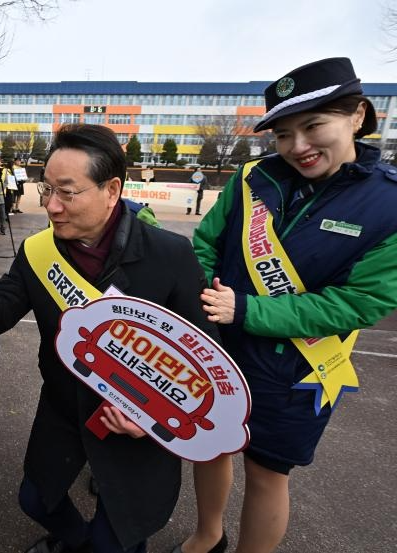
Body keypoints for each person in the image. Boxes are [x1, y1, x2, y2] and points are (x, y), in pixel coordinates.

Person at [179, 57, 397, 553]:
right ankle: (206, 535)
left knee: (266, 472)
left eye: (313, 126)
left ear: (357, 115)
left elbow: (360, 303)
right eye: (283, 134)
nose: (298, 146)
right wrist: (204, 296)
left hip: (300, 367)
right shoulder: (253, 178)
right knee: (209, 447)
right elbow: (208, 243)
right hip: (220, 345)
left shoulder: (389, 205)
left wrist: (251, 311)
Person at [0, 124, 218, 553]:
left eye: (67, 193)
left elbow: (205, 359)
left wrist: (152, 419)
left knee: (120, 538)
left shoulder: (169, 255)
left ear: (112, 189)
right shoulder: (38, 251)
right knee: (34, 498)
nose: (51, 206)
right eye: (46, 188)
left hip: (139, 424)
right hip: (65, 405)